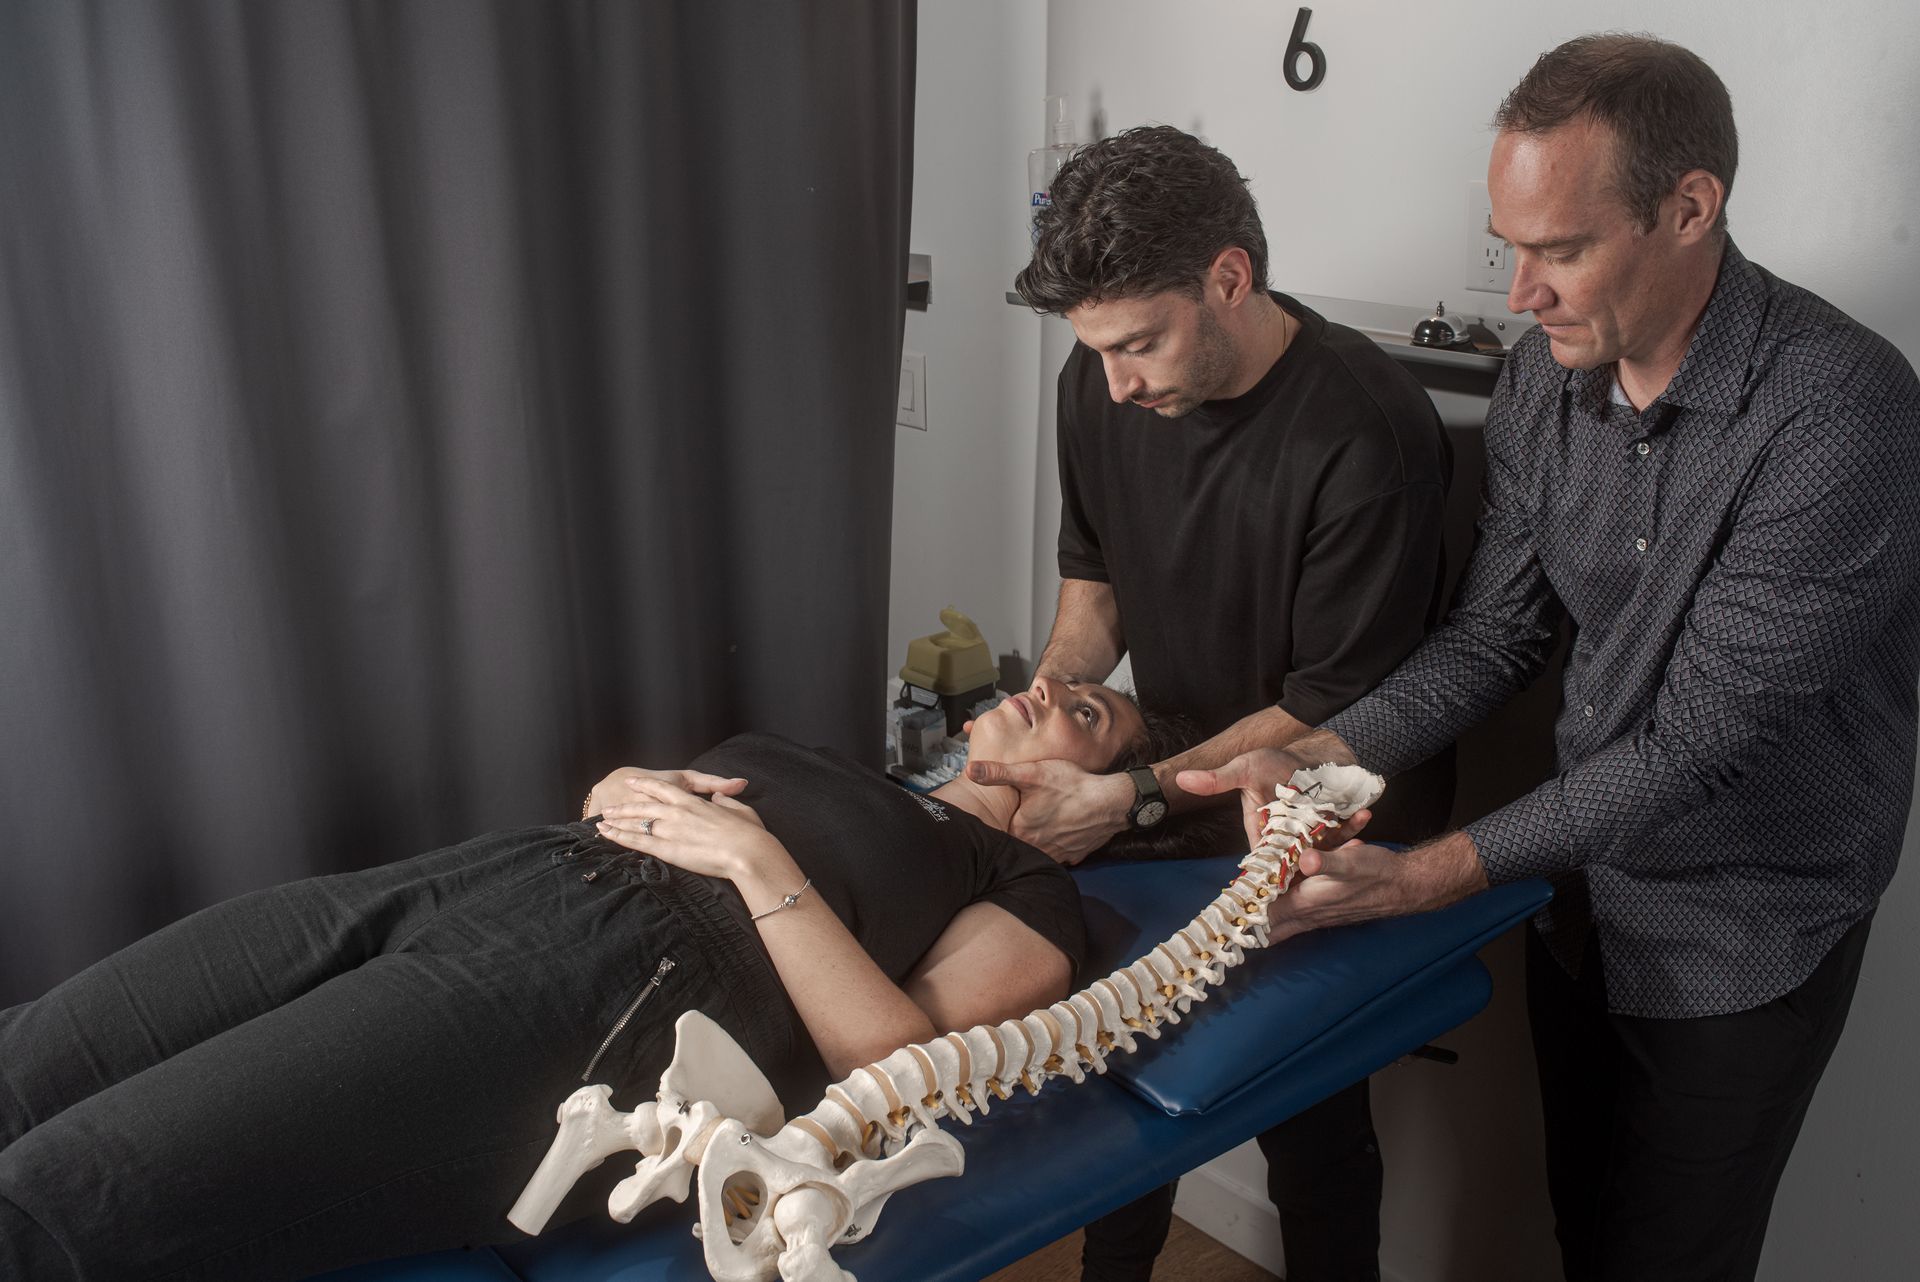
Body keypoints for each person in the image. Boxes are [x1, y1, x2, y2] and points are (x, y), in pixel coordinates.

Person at [1181, 34, 1920, 1282]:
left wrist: (1428, 878)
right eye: (1509, 247)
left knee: (1672, 1259)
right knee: (1586, 1227)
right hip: (1580, 894)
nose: (1521, 293)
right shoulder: (1542, 382)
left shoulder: (1842, 410)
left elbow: (1699, 744)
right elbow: (1494, 636)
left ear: (1692, 209)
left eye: (1562, 250)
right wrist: (1318, 744)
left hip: (1747, 915)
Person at [0, 675, 1180, 1282]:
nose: (1042, 687)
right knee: (36, 1057)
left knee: (68, 1193)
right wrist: (624, 784)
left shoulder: (1029, 893)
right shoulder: (857, 764)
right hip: (491, 874)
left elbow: (891, 1061)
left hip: (600, 994)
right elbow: (649, 801)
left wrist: (754, 857)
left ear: (1094, 798)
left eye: (1086, 712)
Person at [981, 125, 1457, 1282]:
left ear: (1229, 279)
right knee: (1119, 1080)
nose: (1116, 382)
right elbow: (1092, 594)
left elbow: (1323, 714)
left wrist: (1128, 796)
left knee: (1312, 1129)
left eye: (1138, 343)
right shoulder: (1097, 387)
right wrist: (1049, 722)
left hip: (1319, 802)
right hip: (1158, 786)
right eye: (1095, 351)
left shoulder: (1366, 432)